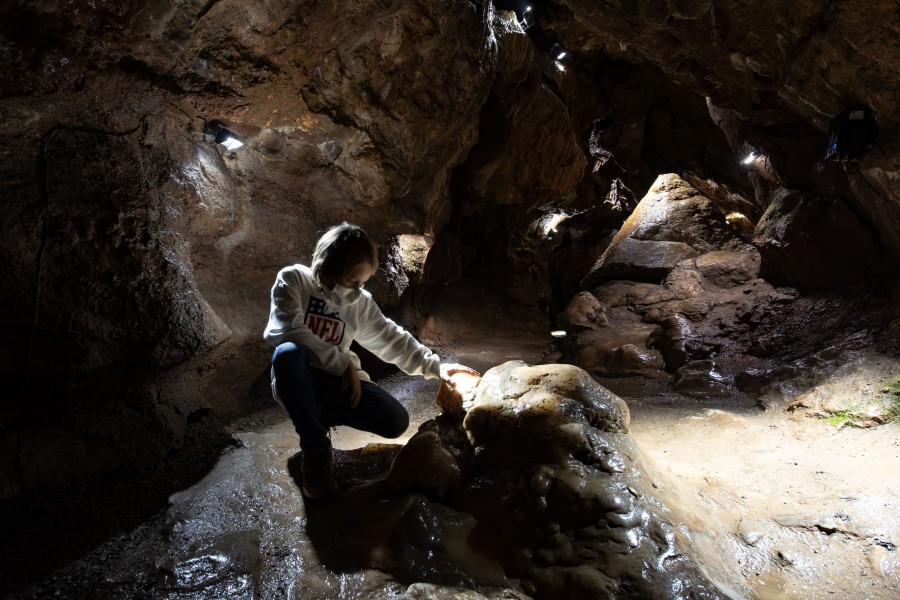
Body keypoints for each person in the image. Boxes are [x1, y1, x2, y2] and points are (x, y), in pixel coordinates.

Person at [263, 222, 479, 500]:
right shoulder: (294, 279)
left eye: (362, 282)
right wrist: (343, 363)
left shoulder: (359, 302)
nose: (357, 289)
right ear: (331, 268)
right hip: (296, 379)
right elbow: (287, 331)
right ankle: (315, 449)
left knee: (395, 420)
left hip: (336, 383)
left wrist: (436, 366)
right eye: (352, 281)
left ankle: (316, 419)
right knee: (288, 354)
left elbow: (391, 337)